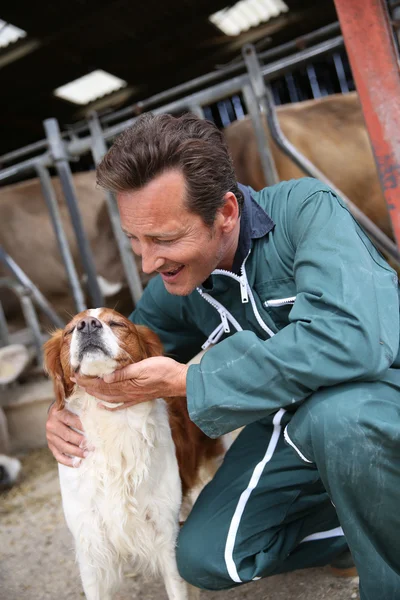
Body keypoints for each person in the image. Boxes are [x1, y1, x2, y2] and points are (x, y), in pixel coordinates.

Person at [46, 112, 400, 599]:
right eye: (136, 239)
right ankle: (349, 527)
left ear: (227, 213)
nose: (148, 263)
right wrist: (64, 404)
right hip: (289, 432)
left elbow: (351, 338)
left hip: (379, 407)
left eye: (166, 239)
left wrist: (192, 380)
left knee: (338, 416)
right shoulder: (177, 283)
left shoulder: (305, 211)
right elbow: (121, 350)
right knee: (204, 557)